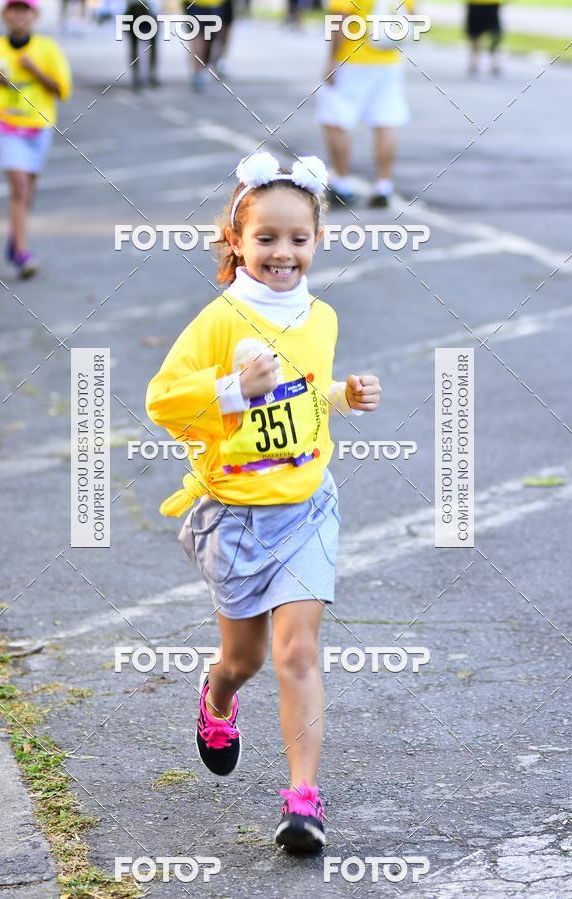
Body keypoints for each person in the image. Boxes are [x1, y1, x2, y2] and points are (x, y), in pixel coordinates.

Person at [146, 152, 382, 852]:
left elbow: (305, 397)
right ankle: (217, 697)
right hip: (236, 514)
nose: (284, 252)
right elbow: (163, 398)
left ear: (317, 240)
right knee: (243, 658)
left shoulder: (323, 317)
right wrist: (229, 390)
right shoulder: (220, 319)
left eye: (298, 238)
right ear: (237, 240)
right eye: (267, 238)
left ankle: (303, 800)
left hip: (306, 504)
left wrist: (344, 398)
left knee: (297, 652)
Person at [0, 0, 72, 278]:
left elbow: (62, 90)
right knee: (18, 188)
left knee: (27, 192)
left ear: (33, 16)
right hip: (7, 124)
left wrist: (34, 70)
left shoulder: (47, 49)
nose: (19, 15)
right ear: (5, 15)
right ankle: (22, 254)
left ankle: (14, 239)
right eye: (13, 10)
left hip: (39, 126)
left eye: (24, 10)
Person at [317, 0, 415, 208]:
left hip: (353, 58)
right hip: (388, 58)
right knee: (385, 122)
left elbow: (340, 18)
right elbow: (410, 14)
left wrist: (332, 60)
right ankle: (384, 185)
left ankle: (342, 183)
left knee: (335, 119)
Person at [183, 0, 225, 91]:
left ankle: (201, 68)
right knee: (198, 37)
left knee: (209, 40)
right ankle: (197, 73)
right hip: (195, 4)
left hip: (215, 4)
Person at [125, 0, 160, 90]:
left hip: (144, 11)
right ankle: (148, 75)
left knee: (134, 46)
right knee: (137, 46)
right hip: (141, 11)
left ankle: (140, 76)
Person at [465, 0, 504, 76]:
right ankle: (474, 62)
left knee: (495, 33)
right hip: (474, 3)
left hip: (492, 3)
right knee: (474, 33)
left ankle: (495, 59)